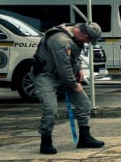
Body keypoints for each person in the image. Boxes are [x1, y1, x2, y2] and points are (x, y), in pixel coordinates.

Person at [33, 20, 105, 154]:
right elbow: (64, 67)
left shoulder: (75, 36)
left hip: (64, 76)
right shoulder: (61, 41)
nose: (88, 43)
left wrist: (79, 69)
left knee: (84, 104)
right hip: (46, 76)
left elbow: (74, 56)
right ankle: (46, 141)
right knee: (50, 109)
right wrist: (73, 84)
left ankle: (84, 137)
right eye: (89, 40)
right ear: (85, 36)